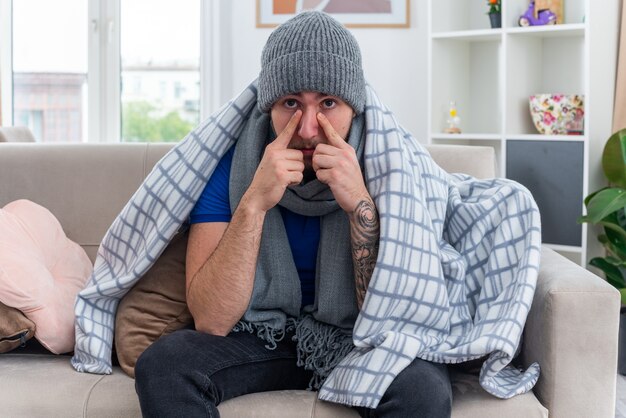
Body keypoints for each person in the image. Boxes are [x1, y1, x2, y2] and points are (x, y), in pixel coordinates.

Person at [134, 11, 452, 418]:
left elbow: (395, 316)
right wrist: (253, 203)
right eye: (290, 103)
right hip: (261, 335)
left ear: (354, 107)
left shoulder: (387, 167)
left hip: (357, 338)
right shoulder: (231, 165)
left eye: (328, 103)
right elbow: (211, 320)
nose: (306, 128)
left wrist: (359, 204)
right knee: (165, 364)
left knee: (423, 388)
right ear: (268, 107)